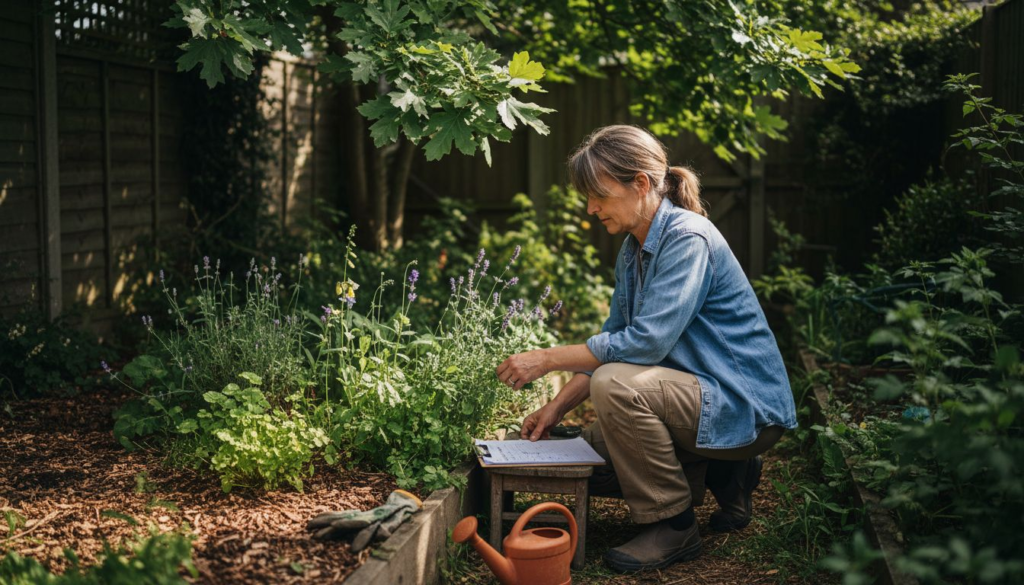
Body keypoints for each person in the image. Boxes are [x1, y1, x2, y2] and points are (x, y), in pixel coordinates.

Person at [495, 125, 797, 573]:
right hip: (701, 400)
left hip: (742, 405)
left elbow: (644, 344)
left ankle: (674, 525)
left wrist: (547, 359)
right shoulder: (633, 251)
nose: (591, 208)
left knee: (617, 387)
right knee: (589, 457)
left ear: (640, 184)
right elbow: (613, 340)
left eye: (598, 194)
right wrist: (556, 407)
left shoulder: (687, 237)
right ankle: (727, 473)